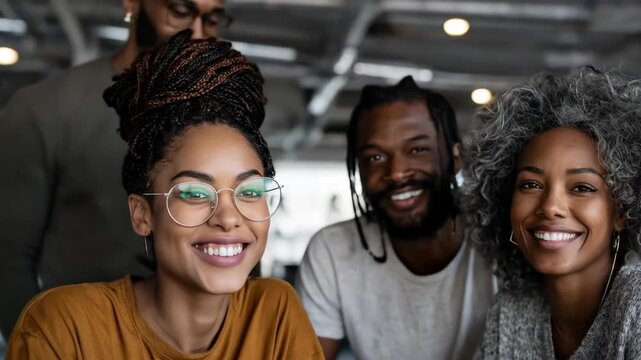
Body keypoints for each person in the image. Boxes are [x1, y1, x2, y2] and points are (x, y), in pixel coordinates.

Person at [6, 31, 323, 359]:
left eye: (250, 191)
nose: (229, 218)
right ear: (142, 215)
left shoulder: (274, 311)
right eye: (194, 193)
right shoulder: (66, 327)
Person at [0, 0, 230, 337]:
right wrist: (38, 345)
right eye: (180, 12)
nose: (196, 34)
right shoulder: (46, 109)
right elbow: (8, 258)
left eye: (211, 20)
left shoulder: (228, 114)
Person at [296, 76, 497, 360]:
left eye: (417, 150)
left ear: (455, 159)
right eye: (375, 158)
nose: (397, 172)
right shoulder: (333, 251)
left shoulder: (501, 239)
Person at [463, 67, 641, 359]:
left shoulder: (636, 309)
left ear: (622, 211)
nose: (550, 207)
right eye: (531, 184)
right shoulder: (512, 311)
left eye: (582, 187)